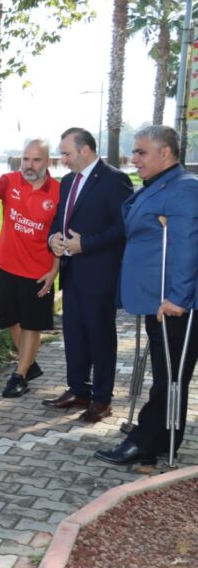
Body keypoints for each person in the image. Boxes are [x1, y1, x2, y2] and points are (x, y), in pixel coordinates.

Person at [95, 125, 198, 465]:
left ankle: (145, 441)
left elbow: (187, 247)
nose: (134, 158)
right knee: (168, 374)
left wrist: (178, 298)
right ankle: (160, 439)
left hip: (173, 303)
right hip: (157, 299)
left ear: (165, 152)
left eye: (141, 152)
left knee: (170, 377)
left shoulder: (184, 189)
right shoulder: (159, 185)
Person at [45, 127, 133, 422]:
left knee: (100, 337)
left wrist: (86, 244)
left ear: (85, 150)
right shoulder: (68, 181)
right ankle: (78, 390)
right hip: (71, 273)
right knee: (74, 335)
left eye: (66, 153)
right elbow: (59, 219)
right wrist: (53, 238)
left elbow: (123, 227)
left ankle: (102, 399)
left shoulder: (114, 179)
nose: (63, 160)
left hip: (100, 274)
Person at [0, 139, 60, 398]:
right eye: (26, 159)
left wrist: (54, 271)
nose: (29, 165)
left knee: (32, 325)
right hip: (5, 268)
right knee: (12, 321)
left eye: (36, 160)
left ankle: (19, 376)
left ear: (48, 162)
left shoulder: (58, 192)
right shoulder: (9, 181)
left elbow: (61, 236)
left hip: (38, 273)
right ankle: (29, 364)